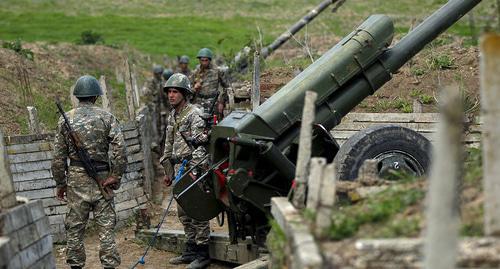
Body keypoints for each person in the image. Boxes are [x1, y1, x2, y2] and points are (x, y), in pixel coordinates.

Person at [52, 75, 127, 269]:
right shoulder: (107, 117)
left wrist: (61, 184)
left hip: (76, 181)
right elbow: (121, 150)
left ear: (77, 96)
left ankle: (76, 266)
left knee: (75, 229)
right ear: (96, 96)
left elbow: (58, 159)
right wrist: (115, 176)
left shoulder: (65, 119)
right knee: (106, 229)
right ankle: (110, 265)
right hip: (103, 178)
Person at [160, 73, 211, 269]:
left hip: (193, 167)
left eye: (175, 92)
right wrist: (168, 171)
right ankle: (190, 250)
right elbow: (168, 144)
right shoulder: (173, 115)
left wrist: (196, 172)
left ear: (184, 94)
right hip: (179, 168)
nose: (171, 95)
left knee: (197, 209)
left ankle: (203, 253)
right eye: (169, 92)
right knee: (183, 211)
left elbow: (201, 145)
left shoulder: (194, 114)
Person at [143, 65, 169, 204]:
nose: (159, 75)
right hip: (152, 110)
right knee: (155, 133)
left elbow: (164, 97)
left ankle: (159, 151)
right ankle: (157, 151)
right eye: (157, 73)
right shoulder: (150, 83)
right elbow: (147, 95)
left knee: (160, 131)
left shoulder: (160, 82)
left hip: (159, 110)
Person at [191, 48, 231, 120]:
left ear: (209, 60)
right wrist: (195, 88)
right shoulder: (195, 72)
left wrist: (222, 101)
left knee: (213, 123)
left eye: (206, 60)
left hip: (213, 102)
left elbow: (227, 87)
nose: (204, 63)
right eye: (202, 60)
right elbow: (188, 91)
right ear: (199, 60)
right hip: (199, 102)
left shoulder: (217, 71)